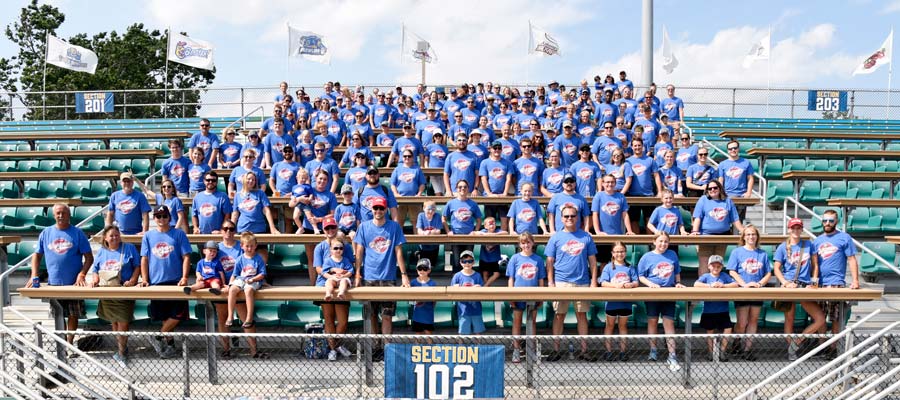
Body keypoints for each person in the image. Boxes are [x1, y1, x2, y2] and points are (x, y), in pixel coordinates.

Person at [26, 204, 93, 346]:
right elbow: (36, 256)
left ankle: (69, 343)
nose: (61, 216)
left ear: (69, 215)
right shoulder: (46, 233)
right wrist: (34, 274)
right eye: (58, 213)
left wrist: (82, 274)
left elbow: (89, 257)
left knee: (73, 314)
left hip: (74, 284)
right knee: (59, 313)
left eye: (64, 213)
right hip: (54, 283)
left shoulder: (77, 233)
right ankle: (61, 343)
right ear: (53, 215)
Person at [545, 204, 598, 362]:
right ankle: (556, 349)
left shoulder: (586, 237)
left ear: (578, 217)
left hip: (582, 282)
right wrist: (550, 281)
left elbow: (593, 261)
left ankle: (584, 350)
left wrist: (594, 281)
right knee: (559, 315)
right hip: (561, 282)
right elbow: (549, 261)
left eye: (572, 216)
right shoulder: (555, 237)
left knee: (582, 315)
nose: (569, 218)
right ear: (561, 218)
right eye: (566, 216)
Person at [353, 197, 409, 344]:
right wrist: (357, 274)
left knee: (387, 315)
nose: (378, 211)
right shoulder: (364, 227)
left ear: (386, 210)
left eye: (381, 208)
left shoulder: (394, 227)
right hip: (369, 277)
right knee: (371, 315)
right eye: (375, 208)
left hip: (388, 277)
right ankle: (374, 347)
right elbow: (359, 251)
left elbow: (398, 251)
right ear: (371, 210)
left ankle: (386, 348)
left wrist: (403, 275)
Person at [139, 205, 192, 359]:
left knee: (177, 314)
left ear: (169, 217)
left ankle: (157, 336)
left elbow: (186, 256)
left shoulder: (178, 234)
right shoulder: (148, 236)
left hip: (176, 282)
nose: (161, 219)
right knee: (165, 316)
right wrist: (145, 279)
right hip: (156, 282)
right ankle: (170, 346)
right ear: (154, 219)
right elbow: (144, 258)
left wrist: (184, 277)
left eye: (164, 216)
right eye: (158, 216)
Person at [774, 217, 825, 361]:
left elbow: (815, 265)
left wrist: (814, 281)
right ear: (789, 229)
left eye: (798, 228)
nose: (795, 230)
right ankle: (792, 352)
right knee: (789, 318)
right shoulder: (782, 247)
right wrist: (784, 283)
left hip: (804, 284)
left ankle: (796, 343)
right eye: (793, 228)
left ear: (802, 229)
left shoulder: (809, 244)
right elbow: (777, 268)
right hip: (789, 284)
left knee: (820, 318)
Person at [87, 225, 138, 366]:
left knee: (123, 321)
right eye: (111, 236)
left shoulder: (129, 248)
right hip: (107, 290)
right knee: (114, 321)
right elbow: (96, 269)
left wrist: (133, 280)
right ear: (105, 238)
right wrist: (95, 279)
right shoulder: (102, 251)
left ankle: (121, 352)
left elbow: (137, 266)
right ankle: (121, 348)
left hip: (123, 290)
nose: (114, 238)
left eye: (117, 235)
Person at [814, 209, 860, 358]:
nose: (827, 223)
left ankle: (833, 348)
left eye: (831, 221)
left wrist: (855, 281)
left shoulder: (844, 238)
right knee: (820, 316)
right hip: (820, 285)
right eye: (825, 220)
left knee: (835, 318)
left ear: (836, 222)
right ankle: (822, 346)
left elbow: (852, 259)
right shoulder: (817, 240)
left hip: (836, 284)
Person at [637, 231, 685, 371]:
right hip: (652, 293)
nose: (663, 244)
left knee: (668, 322)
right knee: (652, 320)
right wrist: (650, 284)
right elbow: (641, 276)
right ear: (654, 242)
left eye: (666, 241)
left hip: (668, 293)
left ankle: (672, 354)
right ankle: (653, 350)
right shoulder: (647, 257)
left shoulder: (672, 255)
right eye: (661, 241)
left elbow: (676, 271)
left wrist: (678, 282)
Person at [726, 224, 771, 360]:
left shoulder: (762, 254)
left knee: (753, 320)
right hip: (742, 291)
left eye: (753, 234)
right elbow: (732, 271)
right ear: (744, 237)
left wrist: (759, 284)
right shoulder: (737, 252)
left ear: (757, 237)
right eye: (748, 234)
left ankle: (747, 349)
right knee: (742, 322)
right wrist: (744, 284)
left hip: (757, 291)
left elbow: (768, 272)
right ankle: (737, 341)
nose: (751, 237)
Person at [506, 232, 546, 363]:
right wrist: (511, 295)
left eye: (528, 242)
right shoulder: (515, 258)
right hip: (518, 295)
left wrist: (541, 296)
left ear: (533, 243)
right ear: (519, 244)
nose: (526, 245)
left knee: (532, 322)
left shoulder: (538, 259)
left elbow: (540, 280)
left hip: (533, 295)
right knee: (517, 321)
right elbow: (511, 279)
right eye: (523, 243)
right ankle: (516, 350)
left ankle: (531, 350)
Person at [692, 180, 744, 276]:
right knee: (704, 263)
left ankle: (715, 286)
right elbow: (697, 217)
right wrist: (695, 230)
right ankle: (703, 287)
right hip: (705, 236)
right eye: (710, 188)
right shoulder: (703, 200)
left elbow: (735, 219)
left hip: (723, 237)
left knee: (717, 264)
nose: (712, 190)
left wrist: (743, 231)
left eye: (715, 187)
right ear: (707, 190)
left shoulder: (728, 201)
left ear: (720, 188)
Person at [599, 242, 638, 361]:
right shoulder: (608, 267)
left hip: (625, 301)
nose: (619, 254)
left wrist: (630, 285)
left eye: (622, 251)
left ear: (625, 253)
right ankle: (608, 351)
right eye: (616, 251)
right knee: (609, 325)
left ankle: (623, 351)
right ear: (612, 253)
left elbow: (636, 282)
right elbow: (603, 282)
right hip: (612, 301)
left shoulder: (630, 267)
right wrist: (615, 286)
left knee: (623, 325)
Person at [694, 255, 737, 361]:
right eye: (713, 266)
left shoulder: (724, 276)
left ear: (722, 267)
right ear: (709, 266)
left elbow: (735, 284)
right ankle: (711, 352)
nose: (716, 268)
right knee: (710, 331)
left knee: (728, 328)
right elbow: (696, 284)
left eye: (718, 266)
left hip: (723, 310)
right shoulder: (706, 276)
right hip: (709, 310)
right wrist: (710, 286)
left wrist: (723, 286)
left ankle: (722, 350)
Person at [226, 232, 267, 333]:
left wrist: (253, 279)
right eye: (247, 246)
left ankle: (249, 317)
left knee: (248, 290)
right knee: (232, 290)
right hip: (242, 279)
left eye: (252, 246)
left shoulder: (258, 259)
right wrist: (230, 284)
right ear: (242, 246)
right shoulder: (240, 259)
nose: (249, 248)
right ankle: (230, 315)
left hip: (254, 280)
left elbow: (262, 274)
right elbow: (235, 274)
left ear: (255, 246)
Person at [442, 180, 483, 271]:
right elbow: (444, 218)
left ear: (468, 189)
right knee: (457, 262)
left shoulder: (473, 204)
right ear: (456, 189)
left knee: (468, 261)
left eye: (465, 187)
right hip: (456, 236)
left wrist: (475, 231)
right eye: (460, 187)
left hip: (469, 237)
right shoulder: (451, 203)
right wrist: (448, 231)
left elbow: (479, 220)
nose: (462, 188)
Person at [591, 174, 635, 261]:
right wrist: (598, 231)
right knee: (603, 261)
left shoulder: (621, 196)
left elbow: (625, 214)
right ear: (602, 183)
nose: (610, 184)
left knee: (617, 260)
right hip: (603, 235)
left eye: (612, 182)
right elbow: (595, 214)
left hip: (617, 234)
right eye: (607, 182)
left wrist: (629, 230)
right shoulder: (598, 196)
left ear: (615, 184)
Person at [626, 138, 662, 234]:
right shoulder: (627, 161)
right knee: (634, 220)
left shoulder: (650, 160)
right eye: (635, 145)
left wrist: (659, 191)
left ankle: (650, 242)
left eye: (639, 145)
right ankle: (636, 242)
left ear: (642, 147)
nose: (637, 147)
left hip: (648, 194)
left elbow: (656, 176)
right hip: (633, 195)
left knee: (649, 219)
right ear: (632, 147)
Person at [717, 139, 755, 220]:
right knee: (727, 220)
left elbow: (750, 179)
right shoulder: (722, 164)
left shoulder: (746, 162)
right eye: (730, 149)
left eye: (735, 148)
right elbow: (720, 180)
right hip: (727, 195)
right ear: (727, 151)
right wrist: (721, 193)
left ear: (738, 149)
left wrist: (748, 193)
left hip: (742, 195)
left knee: (740, 220)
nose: (733, 150)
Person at [451, 250, 486, 335]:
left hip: (476, 309)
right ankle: (461, 348)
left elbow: (482, 291)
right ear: (460, 262)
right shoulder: (457, 276)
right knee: (463, 333)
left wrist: (478, 288)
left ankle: (479, 348)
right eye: (464, 261)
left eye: (469, 261)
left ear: (473, 262)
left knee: (478, 332)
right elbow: (452, 291)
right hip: (463, 310)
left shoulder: (477, 275)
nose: (467, 263)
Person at [391, 149, 427, 229]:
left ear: (413, 158)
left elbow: (422, 184)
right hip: (400, 200)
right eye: (405, 156)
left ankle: (418, 241)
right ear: (402, 158)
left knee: (417, 223)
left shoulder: (417, 169)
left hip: (413, 199)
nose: (407, 158)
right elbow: (392, 184)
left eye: (409, 156)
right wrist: (396, 194)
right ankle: (398, 241)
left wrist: (419, 194)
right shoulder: (397, 169)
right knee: (398, 222)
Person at [474, 217, 506, 286]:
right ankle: (487, 290)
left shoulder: (497, 231)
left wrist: (495, 235)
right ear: (485, 226)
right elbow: (475, 233)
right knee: (485, 274)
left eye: (493, 223)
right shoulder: (483, 231)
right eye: (490, 224)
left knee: (496, 274)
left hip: (494, 259)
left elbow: (505, 233)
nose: (492, 225)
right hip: (484, 258)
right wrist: (484, 235)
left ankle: (485, 287)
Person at [321, 237, 354, 302]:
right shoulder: (328, 260)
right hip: (333, 278)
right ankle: (328, 293)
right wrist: (331, 276)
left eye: (341, 248)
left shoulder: (345, 260)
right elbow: (324, 272)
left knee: (344, 282)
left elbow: (350, 271)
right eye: (335, 248)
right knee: (329, 282)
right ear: (331, 249)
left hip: (343, 278)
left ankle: (341, 293)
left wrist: (344, 276)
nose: (338, 250)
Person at [411, 259, 437, 335]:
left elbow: (434, 300)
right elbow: (410, 299)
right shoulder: (413, 282)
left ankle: (429, 347)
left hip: (428, 314)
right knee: (417, 336)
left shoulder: (432, 283)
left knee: (428, 335)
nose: (422, 271)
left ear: (429, 270)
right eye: (420, 268)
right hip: (417, 315)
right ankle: (417, 347)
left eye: (425, 269)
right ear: (416, 270)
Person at [415, 200, 443, 269]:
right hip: (423, 246)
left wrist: (432, 232)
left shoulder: (437, 216)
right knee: (424, 265)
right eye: (429, 209)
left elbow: (439, 231)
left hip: (434, 246)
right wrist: (424, 233)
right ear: (424, 208)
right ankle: (418, 254)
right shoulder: (421, 215)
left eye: (433, 209)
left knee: (432, 265)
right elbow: (419, 230)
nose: (431, 211)